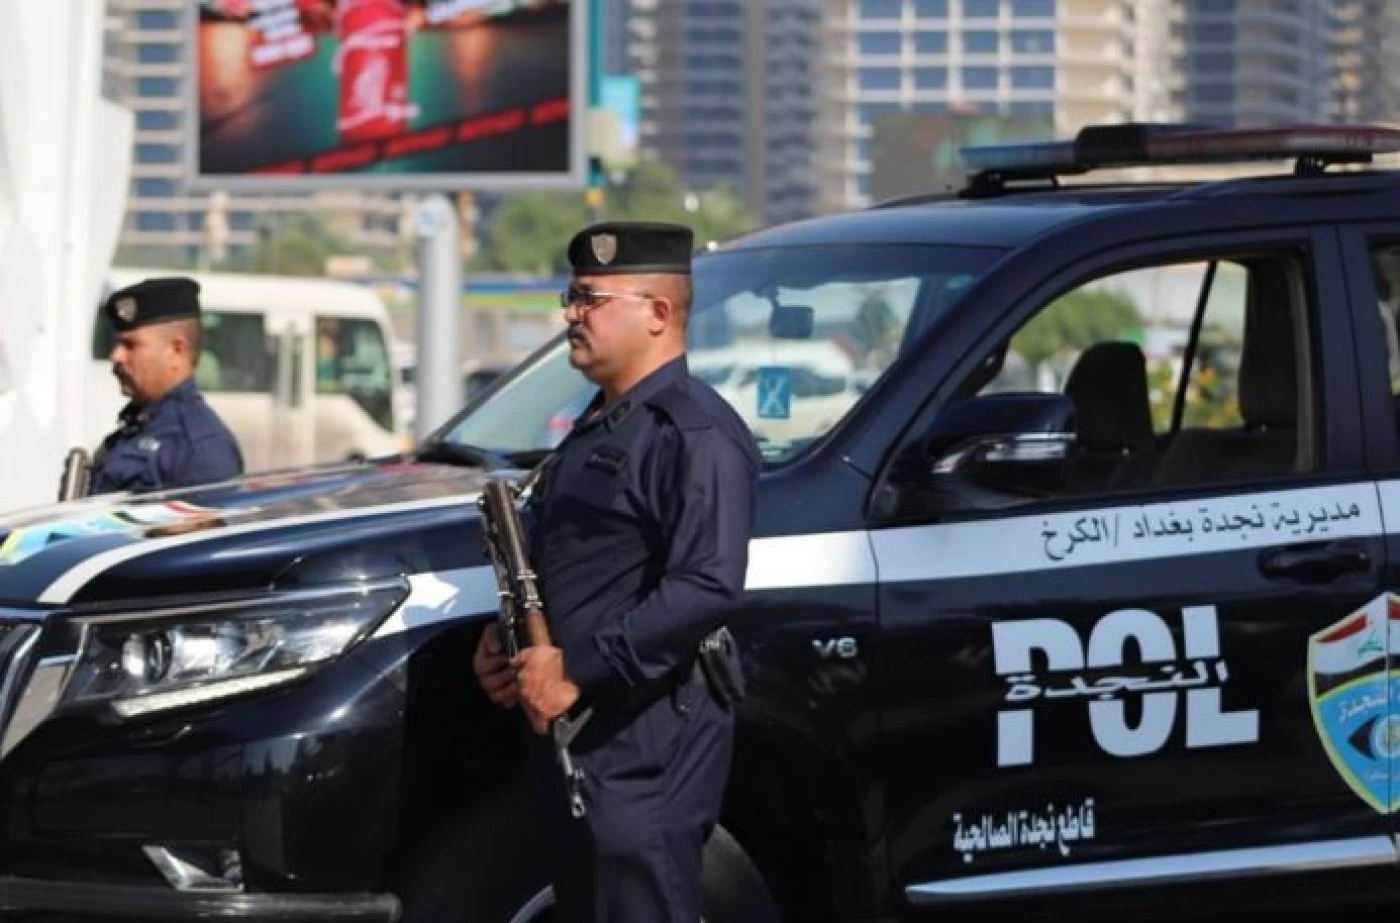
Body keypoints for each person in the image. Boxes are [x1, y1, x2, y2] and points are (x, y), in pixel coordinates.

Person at [472, 221, 761, 922]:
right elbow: (576, 562)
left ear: (657, 312)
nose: (571, 314)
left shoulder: (694, 433)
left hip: (646, 739)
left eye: (590, 299)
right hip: (583, 739)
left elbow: (707, 585)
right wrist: (507, 643)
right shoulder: (599, 426)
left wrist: (574, 670)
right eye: (571, 297)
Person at [88, 276, 244, 495]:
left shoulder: (199, 447)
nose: (116, 356)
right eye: (116, 344)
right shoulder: (136, 428)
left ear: (177, 350)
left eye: (130, 345)